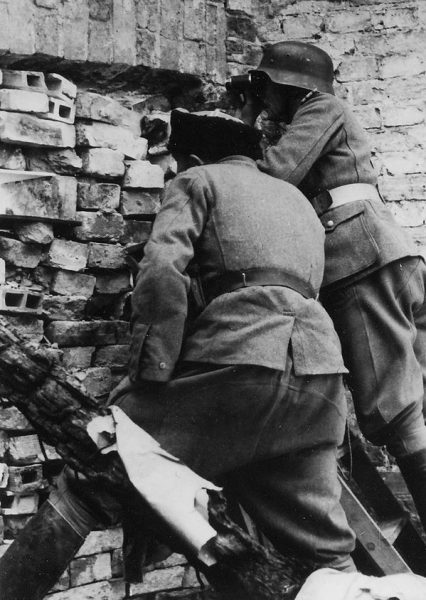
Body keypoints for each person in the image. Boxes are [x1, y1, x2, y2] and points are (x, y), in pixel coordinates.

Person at [0, 110, 355, 600]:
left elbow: (163, 271)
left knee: (99, 467)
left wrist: (151, 373)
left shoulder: (196, 181)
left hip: (239, 362)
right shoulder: (297, 199)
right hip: (320, 380)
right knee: (323, 552)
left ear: (190, 157)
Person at [235, 40, 426, 530]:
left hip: (360, 261)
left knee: (394, 407)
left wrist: (247, 122)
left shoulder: (322, 109)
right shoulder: (324, 112)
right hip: (388, 256)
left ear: (287, 87)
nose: (262, 96)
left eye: (266, 87)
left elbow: (277, 175)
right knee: (414, 399)